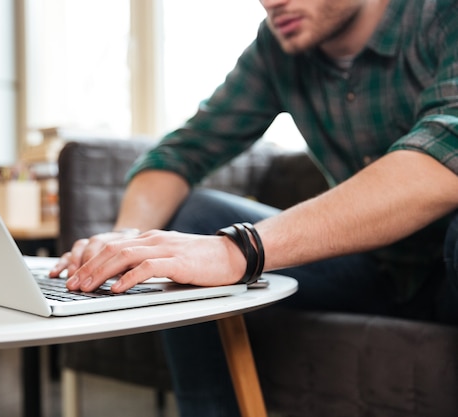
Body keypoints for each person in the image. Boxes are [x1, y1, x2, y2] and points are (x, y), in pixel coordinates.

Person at [51, 0, 458, 415]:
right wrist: (128, 236)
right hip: (372, 268)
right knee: (197, 215)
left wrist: (240, 249)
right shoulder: (278, 44)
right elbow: (181, 152)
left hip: (448, 272)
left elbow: (446, 157)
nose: (269, 1)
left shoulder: (441, 14)